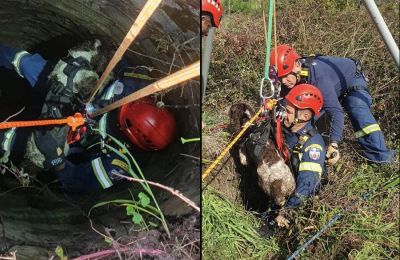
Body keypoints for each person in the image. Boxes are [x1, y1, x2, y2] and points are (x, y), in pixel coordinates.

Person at [0, 41, 177, 192]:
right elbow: (109, 53)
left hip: (62, 134)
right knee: (27, 64)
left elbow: (77, 181)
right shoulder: (138, 88)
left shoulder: (118, 163)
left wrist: (56, 160)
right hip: (67, 92)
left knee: (12, 138)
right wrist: (81, 63)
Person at [270, 44, 394, 164]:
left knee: (357, 108)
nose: (283, 81)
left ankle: (380, 158)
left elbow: (336, 112)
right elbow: (286, 108)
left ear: (297, 65)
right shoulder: (289, 81)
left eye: (286, 77)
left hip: (351, 81)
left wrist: (334, 144)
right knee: (304, 116)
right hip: (328, 88)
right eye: (280, 78)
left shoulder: (317, 76)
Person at [282, 84, 326, 208]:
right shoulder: (289, 130)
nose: (284, 114)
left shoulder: (313, 146)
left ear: (305, 117)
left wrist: (287, 211)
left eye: (288, 112)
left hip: (299, 203)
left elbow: (307, 185)